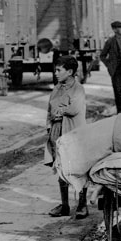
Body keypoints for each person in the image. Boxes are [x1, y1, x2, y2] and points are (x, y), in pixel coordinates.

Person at [45, 56, 88, 218]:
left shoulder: (78, 89)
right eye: (55, 70)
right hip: (57, 132)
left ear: (69, 72)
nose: (56, 73)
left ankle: (82, 205)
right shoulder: (56, 89)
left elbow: (74, 109)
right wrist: (49, 126)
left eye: (59, 70)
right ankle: (65, 206)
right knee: (60, 167)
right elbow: (50, 110)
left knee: (78, 168)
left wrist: (60, 110)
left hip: (74, 132)